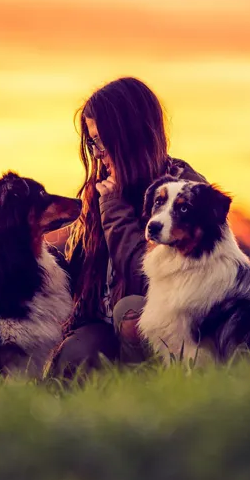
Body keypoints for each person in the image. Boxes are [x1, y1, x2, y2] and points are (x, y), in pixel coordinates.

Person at [43, 77, 206, 378]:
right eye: (92, 142)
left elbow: (146, 277)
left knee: (130, 309)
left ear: (130, 137)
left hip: (172, 330)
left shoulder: (184, 196)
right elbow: (78, 272)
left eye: (102, 141)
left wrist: (115, 211)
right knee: (74, 355)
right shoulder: (103, 190)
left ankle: (143, 398)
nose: (97, 153)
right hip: (103, 328)